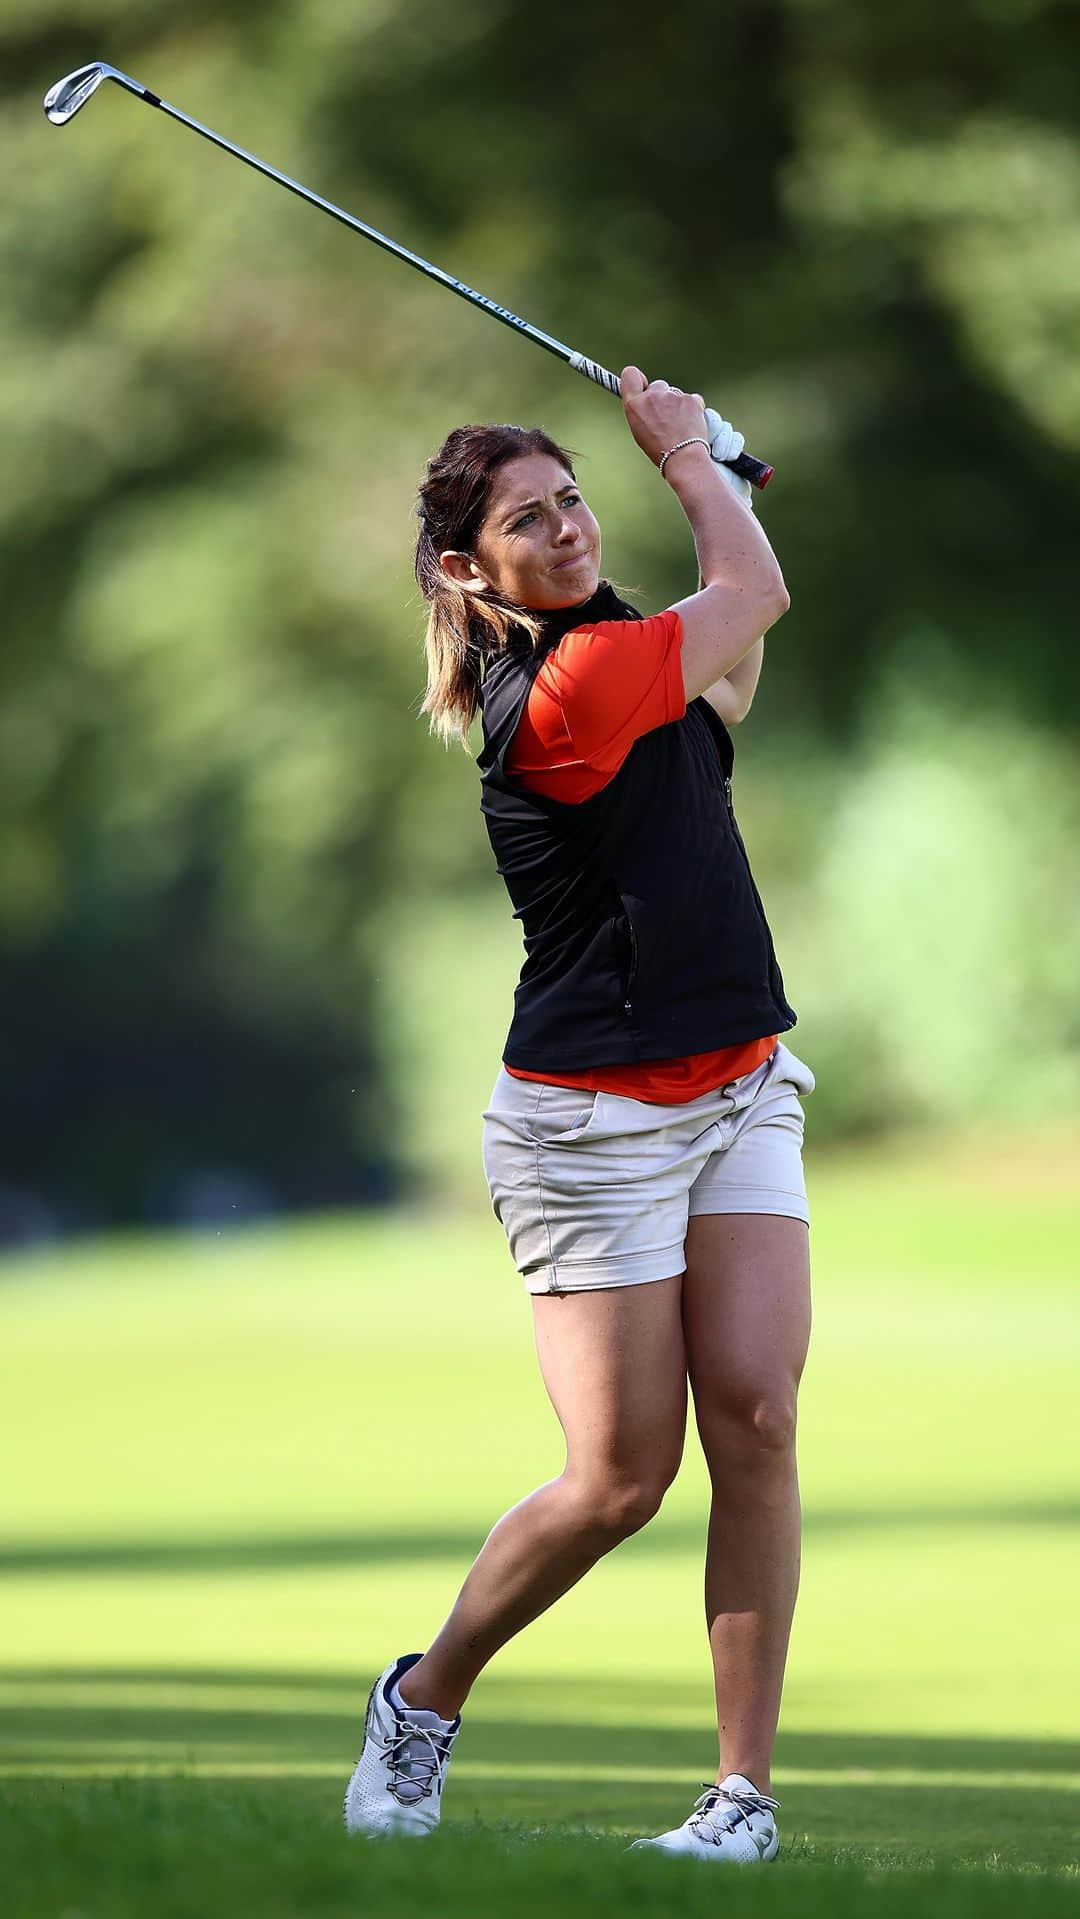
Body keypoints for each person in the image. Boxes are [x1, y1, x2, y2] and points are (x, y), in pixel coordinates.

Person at [343, 367, 816, 1863]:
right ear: (466, 572)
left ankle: (740, 1798)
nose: (564, 530)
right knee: (623, 1475)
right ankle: (424, 1696)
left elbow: (730, 661)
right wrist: (693, 458)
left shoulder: (627, 643)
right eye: (525, 522)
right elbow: (757, 595)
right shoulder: (553, 692)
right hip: (589, 1118)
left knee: (757, 1411)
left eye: (570, 500)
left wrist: (716, 485)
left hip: (736, 1077)